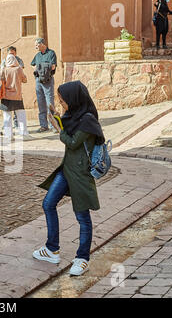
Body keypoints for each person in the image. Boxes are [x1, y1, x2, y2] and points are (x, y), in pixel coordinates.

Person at [33, 80, 106, 276]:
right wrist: (58, 118)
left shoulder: (88, 120)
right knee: (48, 203)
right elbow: (69, 129)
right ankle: (52, 249)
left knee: (82, 217)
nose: (62, 104)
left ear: (74, 99)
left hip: (81, 174)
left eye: (63, 101)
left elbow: (73, 142)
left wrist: (59, 130)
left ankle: (82, 259)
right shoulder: (75, 116)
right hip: (67, 170)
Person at [0, 54, 29, 140]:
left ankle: (9, 135)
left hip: (6, 96)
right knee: (21, 115)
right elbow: (25, 80)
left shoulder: (4, 69)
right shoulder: (18, 69)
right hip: (17, 96)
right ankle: (24, 134)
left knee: (7, 117)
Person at [31, 38, 57, 133]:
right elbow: (32, 65)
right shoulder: (37, 55)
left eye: (36, 45)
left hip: (48, 80)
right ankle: (43, 126)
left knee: (50, 103)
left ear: (42, 44)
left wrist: (40, 67)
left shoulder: (51, 53)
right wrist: (39, 68)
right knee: (40, 102)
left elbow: (53, 66)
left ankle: (53, 125)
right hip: (38, 80)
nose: (35, 47)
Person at [1, 46, 24, 130]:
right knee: (14, 111)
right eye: (10, 53)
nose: (11, 55)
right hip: (13, 91)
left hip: (14, 88)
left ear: (15, 53)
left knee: (15, 110)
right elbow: (23, 77)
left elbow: (1, 77)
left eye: (13, 53)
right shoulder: (4, 62)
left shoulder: (19, 60)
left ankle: (15, 124)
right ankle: (9, 127)